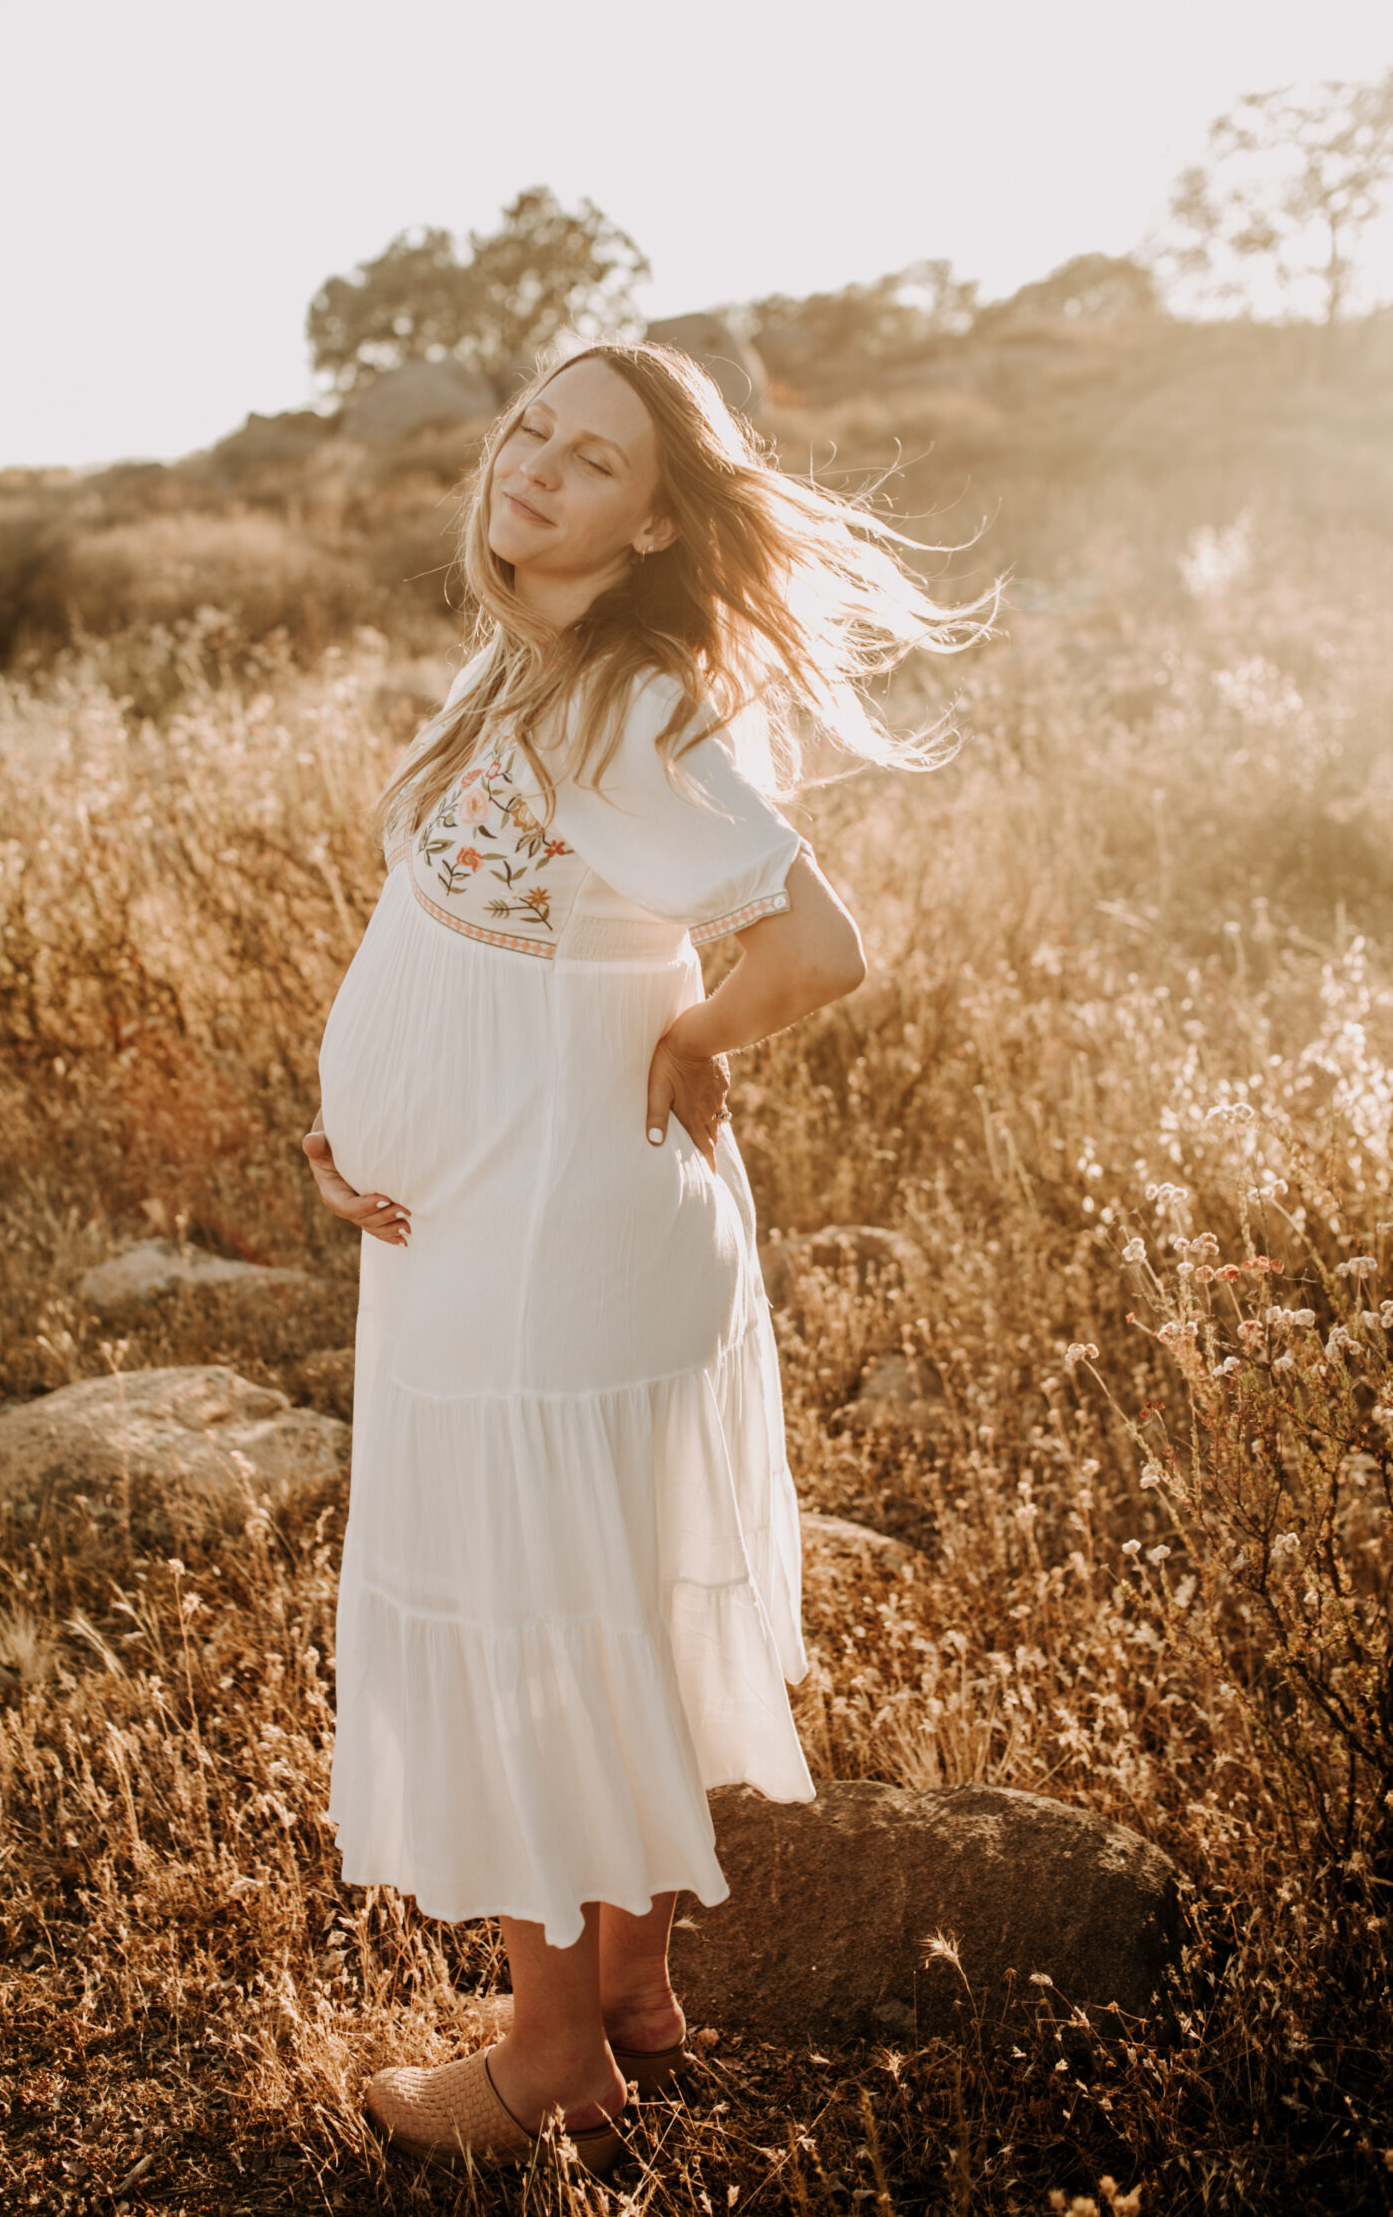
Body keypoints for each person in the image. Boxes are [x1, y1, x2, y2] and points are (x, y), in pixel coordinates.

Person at [302, 342, 982, 2176]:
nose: (533, 467)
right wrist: (361, 1106)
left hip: (548, 1236)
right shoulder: (527, 669)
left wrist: (692, 1045)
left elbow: (816, 945)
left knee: (540, 1612)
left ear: (656, 514)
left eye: (589, 458)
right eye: (531, 429)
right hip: (494, 1215)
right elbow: (477, 941)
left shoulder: (625, 702)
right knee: (600, 1590)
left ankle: (546, 2060)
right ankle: (632, 1991)